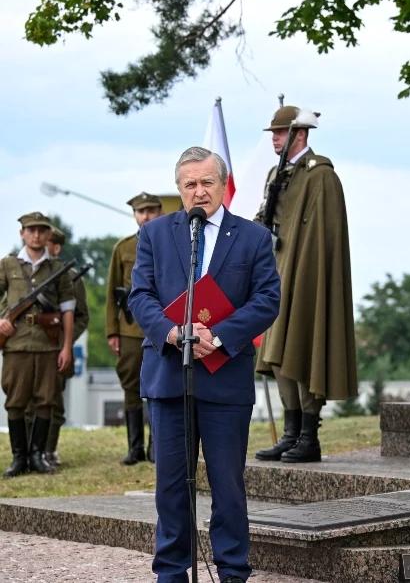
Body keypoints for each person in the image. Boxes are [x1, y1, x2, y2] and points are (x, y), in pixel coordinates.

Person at [129, 147, 280, 583]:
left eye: (207, 182)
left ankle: (233, 572)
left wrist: (221, 337)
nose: (199, 192)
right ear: (180, 190)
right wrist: (173, 333)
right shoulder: (155, 234)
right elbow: (140, 296)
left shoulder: (252, 237)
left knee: (228, 487)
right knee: (171, 488)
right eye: (190, 185)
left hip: (226, 379)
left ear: (222, 184)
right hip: (169, 377)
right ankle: (172, 573)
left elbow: (267, 298)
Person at [254, 106, 356, 463]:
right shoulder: (276, 174)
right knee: (278, 353)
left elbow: (324, 236)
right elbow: (267, 218)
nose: (274, 138)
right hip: (279, 271)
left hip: (308, 276)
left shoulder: (320, 175)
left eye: (280, 133)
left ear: (300, 135)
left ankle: (309, 436)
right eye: (273, 133)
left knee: (302, 348)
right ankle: (291, 432)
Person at [0, 212, 76, 477]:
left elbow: (68, 311)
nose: (36, 235)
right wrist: (1, 322)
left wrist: (66, 346)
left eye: (41, 230)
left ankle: (38, 455)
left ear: (47, 235)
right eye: (30, 230)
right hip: (17, 344)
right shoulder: (8, 265)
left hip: (47, 344)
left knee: (46, 400)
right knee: (15, 401)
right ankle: (19, 458)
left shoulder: (58, 270)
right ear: (22, 233)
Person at [107, 191, 164, 465]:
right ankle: (135, 448)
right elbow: (110, 294)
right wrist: (112, 332)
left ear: (160, 212)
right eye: (141, 212)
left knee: (158, 386)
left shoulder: (169, 243)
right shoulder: (124, 247)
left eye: (151, 210)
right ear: (135, 215)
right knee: (131, 386)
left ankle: (156, 447)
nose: (146, 216)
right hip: (129, 329)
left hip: (161, 327)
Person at [40, 226, 89, 469]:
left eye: (46, 242)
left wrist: (64, 340)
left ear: (56, 248)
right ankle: (30, 452)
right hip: (34, 347)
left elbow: (81, 317)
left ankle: (48, 450)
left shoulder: (69, 277)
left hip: (58, 347)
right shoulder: (30, 274)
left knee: (54, 404)